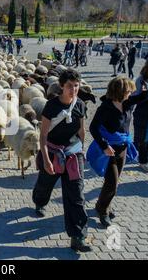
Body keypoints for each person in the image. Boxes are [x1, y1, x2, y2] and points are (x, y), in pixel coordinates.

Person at [32, 69, 91, 253]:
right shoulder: (51, 106)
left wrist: (83, 148)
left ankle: (78, 236)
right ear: (62, 87)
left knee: (76, 194)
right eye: (69, 86)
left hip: (73, 154)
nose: (73, 89)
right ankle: (40, 202)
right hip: (53, 151)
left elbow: (81, 130)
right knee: (45, 182)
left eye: (76, 85)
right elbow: (43, 135)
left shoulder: (80, 105)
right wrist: (47, 160)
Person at [88, 77, 148, 228]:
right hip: (108, 150)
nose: (131, 93)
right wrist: (104, 146)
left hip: (122, 148)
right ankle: (103, 210)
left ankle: (101, 205)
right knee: (112, 183)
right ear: (120, 92)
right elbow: (93, 128)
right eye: (128, 90)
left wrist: (145, 87)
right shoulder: (105, 108)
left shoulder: (127, 103)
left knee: (112, 182)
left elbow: (143, 97)